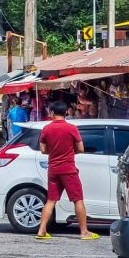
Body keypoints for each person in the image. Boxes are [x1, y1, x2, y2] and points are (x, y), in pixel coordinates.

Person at [35, 101, 99, 241]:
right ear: (65, 113)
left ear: (52, 112)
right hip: (68, 169)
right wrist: (69, 151)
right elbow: (81, 148)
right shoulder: (71, 128)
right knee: (78, 200)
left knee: (51, 200)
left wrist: (55, 151)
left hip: (53, 169)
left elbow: (43, 150)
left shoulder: (46, 129)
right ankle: (84, 232)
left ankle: (41, 230)